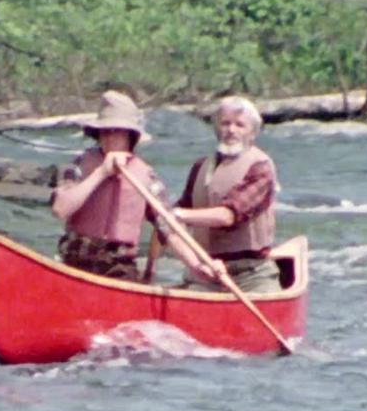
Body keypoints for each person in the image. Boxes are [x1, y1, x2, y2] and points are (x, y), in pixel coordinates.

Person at [50, 90, 222, 283]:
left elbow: (169, 230)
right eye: (104, 132)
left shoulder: (146, 176)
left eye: (116, 132)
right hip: (76, 263)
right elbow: (60, 209)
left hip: (118, 268)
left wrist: (196, 266)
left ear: (130, 136)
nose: (108, 138)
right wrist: (101, 173)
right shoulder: (80, 164)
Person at [170, 95, 281, 293]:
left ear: (252, 133)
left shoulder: (260, 167)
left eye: (240, 125)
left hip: (252, 275)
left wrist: (179, 215)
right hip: (207, 271)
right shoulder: (200, 167)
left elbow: (228, 215)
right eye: (225, 123)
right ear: (216, 129)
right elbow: (173, 221)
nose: (231, 130)